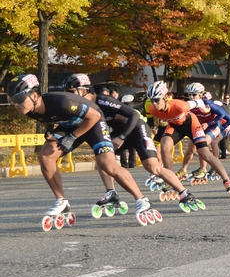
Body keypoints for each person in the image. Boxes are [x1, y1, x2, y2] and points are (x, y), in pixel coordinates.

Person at [8, 74, 160, 228]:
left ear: (34, 95)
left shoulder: (62, 102)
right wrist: (49, 131)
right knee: (46, 156)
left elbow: (94, 116)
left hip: (93, 122)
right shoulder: (30, 110)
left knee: (107, 165)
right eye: (13, 100)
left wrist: (72, 137)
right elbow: (46, 121)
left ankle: (142, 200)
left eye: (20, 99)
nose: (17, 104)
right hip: (70, 125)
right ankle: (61, 201)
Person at [63, 74, 206, 214]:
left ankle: (184, 193)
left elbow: (135, 115)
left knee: (153, 167)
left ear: (83, 90)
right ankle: (111, 192)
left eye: (71, 92)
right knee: (102, 156)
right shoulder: (83, 107)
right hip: (121, 131)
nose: (69, 96)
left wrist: (121, 137)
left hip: (137, 129)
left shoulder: (102, 100)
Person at [146, 81, 230, 198]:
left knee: (204, 154)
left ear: (166, 97)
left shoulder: (180, 105)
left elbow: (200, 102)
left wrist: (205, 110)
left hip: (191, 124)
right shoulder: (152, 109)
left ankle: (227, 180)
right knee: (165, 146)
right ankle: (171, 181)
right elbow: (159, 125)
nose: (154, 103)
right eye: (152, 100)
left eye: (157, 100)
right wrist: (156, 140)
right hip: (175, 125)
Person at [178, 83, 230, 181]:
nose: (191, 97)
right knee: (190, 148)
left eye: (194, 95)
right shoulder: (189, 104)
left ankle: (204, 168)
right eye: (189, 94)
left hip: (213, 126)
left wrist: (210, 124)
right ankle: (183, 169)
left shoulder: (208, 104)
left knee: (202, 145)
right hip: (200, 127)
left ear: (200, 95)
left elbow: (224, 116)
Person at [219, 94, 230, 159]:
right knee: (220, 139)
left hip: (227, 123)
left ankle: (224, 151)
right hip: (222, 122)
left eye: (228, 98)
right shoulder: (222, 105)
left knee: (224, 138)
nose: (227, 99)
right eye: (225, 98)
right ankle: (222, 151)